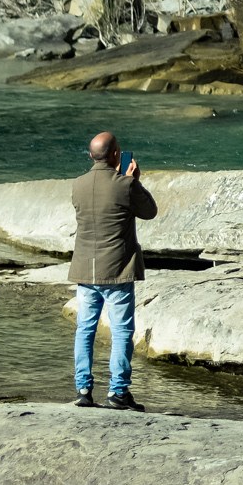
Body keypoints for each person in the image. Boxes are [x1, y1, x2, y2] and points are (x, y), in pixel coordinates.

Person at [69, 131, 158, 410]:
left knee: (85, 329)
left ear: (92, 155)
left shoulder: (78, 185)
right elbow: (150, 211)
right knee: (121, 331)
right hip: (117, 269)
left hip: (85, 268)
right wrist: (135, 181)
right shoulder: (125, 185)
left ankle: (83, 390)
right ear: (116, 155)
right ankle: (118, 392)